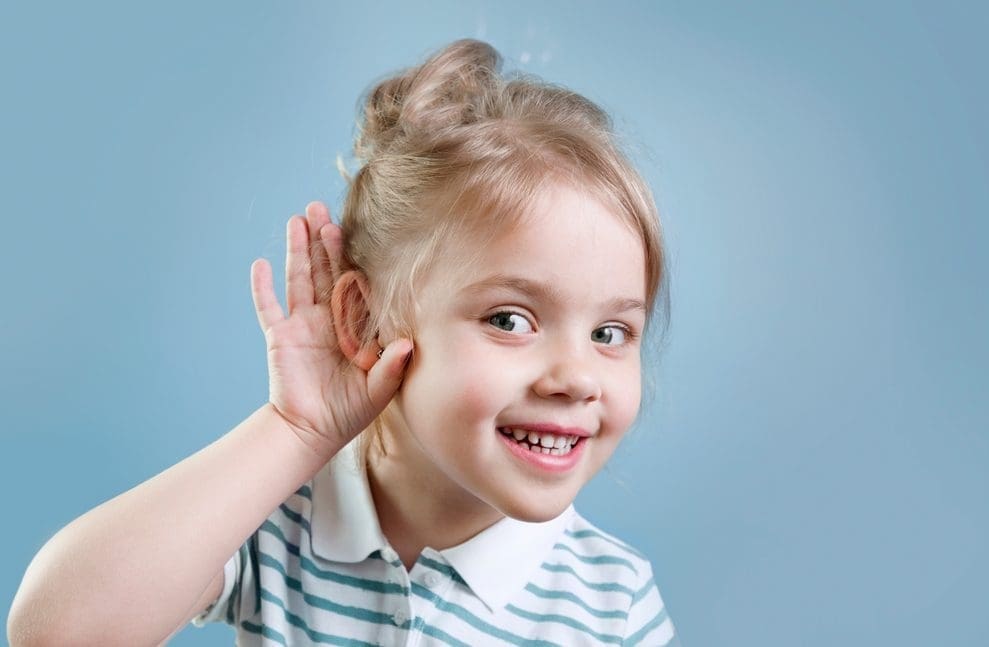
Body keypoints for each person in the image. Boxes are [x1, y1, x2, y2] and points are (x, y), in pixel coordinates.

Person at [7, 39, 677, 646]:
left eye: (610, 333)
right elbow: (57, 632)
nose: (577, 376)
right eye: (509, 319)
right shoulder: (275, 519)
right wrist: (294, 429)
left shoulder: (613, 606)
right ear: (368, 323)